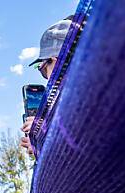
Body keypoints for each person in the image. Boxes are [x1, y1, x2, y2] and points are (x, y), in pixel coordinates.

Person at [21, 17, 74, 156]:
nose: (46, 79)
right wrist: (41, 147)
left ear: (55, 63)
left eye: (43, 69)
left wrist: (44, 131)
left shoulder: (82, 100)